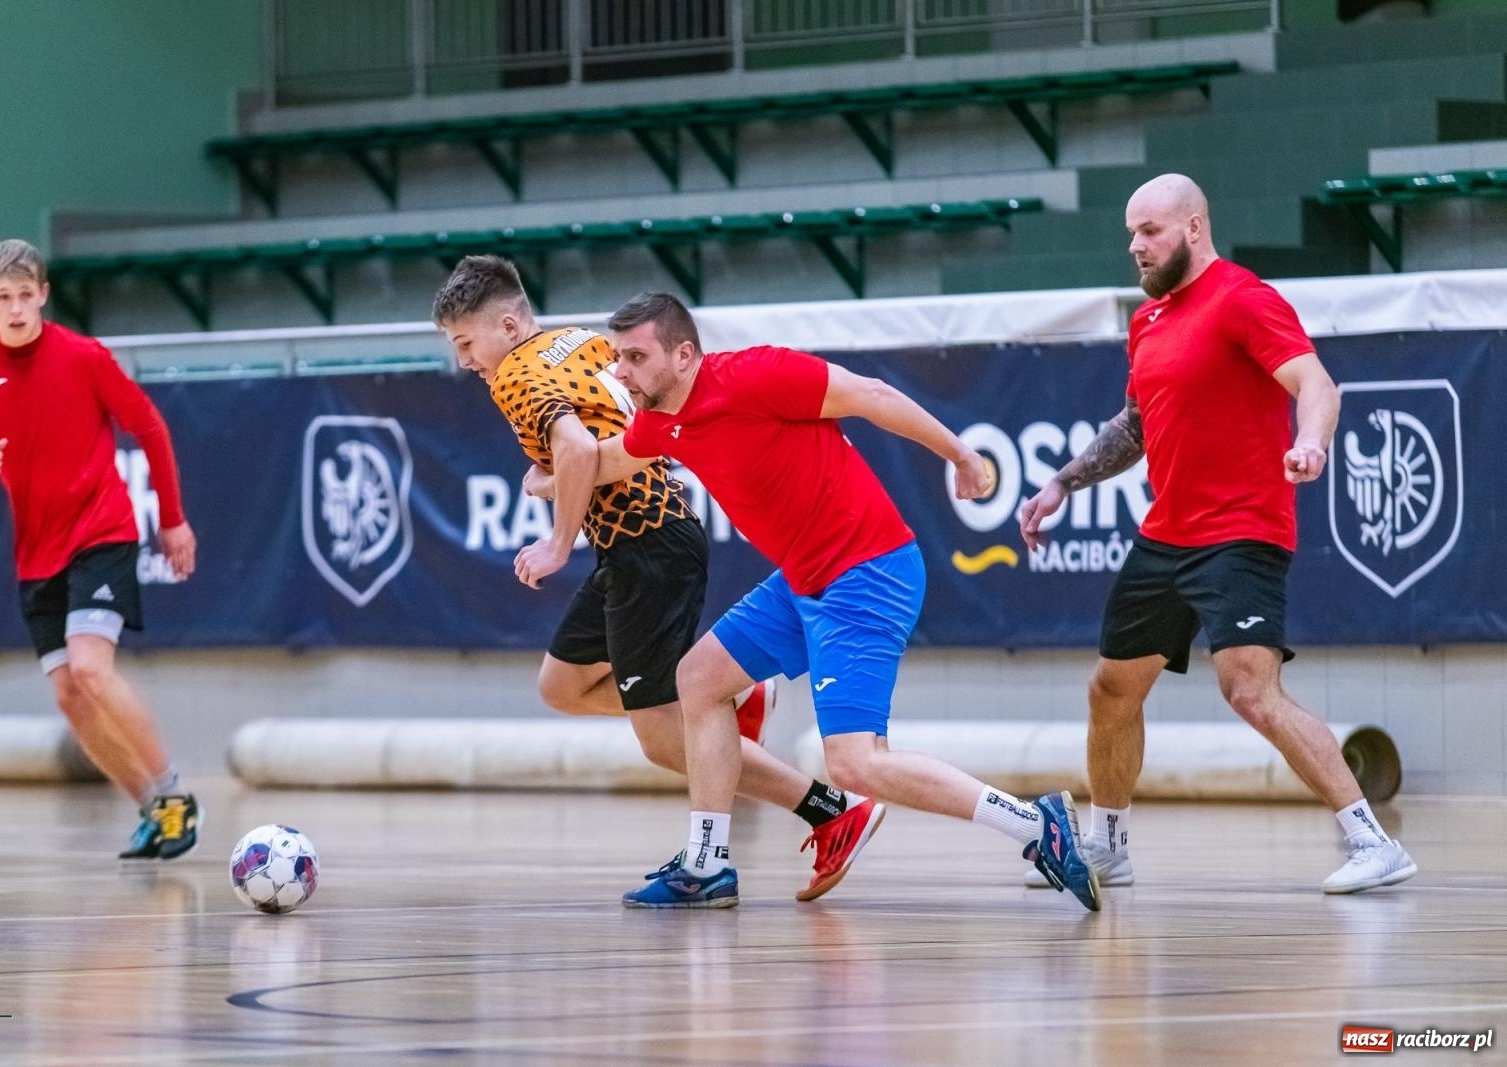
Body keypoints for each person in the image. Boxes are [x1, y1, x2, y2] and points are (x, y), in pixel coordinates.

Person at [580, 290, 1100, 911]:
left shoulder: (756, 374)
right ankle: (707, 863)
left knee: (855, 765)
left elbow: (872, 395)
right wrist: (552, 472)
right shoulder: (660, 420)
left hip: (867, 574)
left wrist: (960, 454)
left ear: (684, 355)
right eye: (618, 357)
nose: (621, 371)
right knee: (699, 680)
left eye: (636, 357)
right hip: (803, 579)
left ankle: (1036, 826)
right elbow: (606, 460)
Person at [433, 255, 885, 902]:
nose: (464, 361)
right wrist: (553, 475)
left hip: (646, 545)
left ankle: (828, 812)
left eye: (465, 343)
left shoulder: (514, 377)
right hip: (642, 542)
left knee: (664, 739)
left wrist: (558, 540)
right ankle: (731, 708)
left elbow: (579, 448)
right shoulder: (581, 342)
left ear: (506, 326)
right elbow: (617, 430)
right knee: (561, 685)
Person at [1018, 174, 1416, 895]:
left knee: (1249, 690)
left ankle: (1372, 840)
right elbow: (1135, 425)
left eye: (1151, 231)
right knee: (1111, 689)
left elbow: (1317, 385)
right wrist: (1062, 483)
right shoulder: (1148, 321)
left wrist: (1313, 443)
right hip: (1166, 535)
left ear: (1194, 227)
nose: (1137, 246)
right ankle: (1108, 846)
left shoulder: (1242, 298)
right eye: (1132, 234)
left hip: (1242, 531)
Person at [0, 239, 201, 860]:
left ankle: (175, 794)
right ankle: (150, 808)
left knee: (89, 668)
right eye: (4, 296)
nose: (17, 308)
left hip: (101, 531)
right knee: (70, 699)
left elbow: (150, 426)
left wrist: (173, 519)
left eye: (26, 294)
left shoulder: (83, 356)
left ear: (44, 295)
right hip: (37, 553)